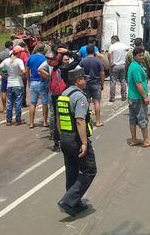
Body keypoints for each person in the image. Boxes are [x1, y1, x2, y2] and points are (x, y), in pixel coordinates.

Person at [56, 68, 97, 217]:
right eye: (83, 79)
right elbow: (80, 120)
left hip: (65, 137)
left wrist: (61, 137)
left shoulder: (64, 95)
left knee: (72, 170)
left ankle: (74, 202)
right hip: (76, 139)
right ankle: (68, 200)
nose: (85, 81)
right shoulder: (80, 97)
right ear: (78, 81)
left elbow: (58, 119)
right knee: (89, 170)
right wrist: (84, 143)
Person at [50, 47, 81, 152]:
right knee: (66, 117)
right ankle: (66, 139)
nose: (67, 61)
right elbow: (77, 59)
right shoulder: (64, 69)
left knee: (57, 117)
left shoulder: (54, 69)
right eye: (65, 59)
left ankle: (56, 142)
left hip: (55, 95)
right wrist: (68, 51)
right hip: (63, 95)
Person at [127, 46, 150, 148]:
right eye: (139, 55)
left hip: (132, 96)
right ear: (134, 56)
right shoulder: (136, 67)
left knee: (133, 119)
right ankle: (146, 140)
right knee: (142, 118)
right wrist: (145, 97)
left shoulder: (133, 65)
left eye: (143, 55)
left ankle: (134, 139)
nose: (142, 57)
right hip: (138, 97)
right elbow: (138, 83)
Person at [0, 46, 26, 126]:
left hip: (9, 83)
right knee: (18, 102)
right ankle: (18, 120)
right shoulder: (19, 61)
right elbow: (23, 71)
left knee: (9, 102)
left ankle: (9, 120)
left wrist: (5, 76)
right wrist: (20, 74)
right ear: (19, 53)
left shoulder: (6, 61)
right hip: (18, 83)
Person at [80, 44, 105, 127]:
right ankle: (98, 121)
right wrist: (102, 83)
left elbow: (79, 72)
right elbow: (102, 73)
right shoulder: (97, 60)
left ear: (86, 51)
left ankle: (87, 121)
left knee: (86, 102)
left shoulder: (83, 61)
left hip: (85, 84)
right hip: (96, 83)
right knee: (96, 102)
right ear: (94, 51)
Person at [26, 44, 50, 128]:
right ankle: (45, 121)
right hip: (42, 81)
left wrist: (29, 81)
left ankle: (31, 123)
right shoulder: (44, 58)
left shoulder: (30, 58)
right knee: (44, 103)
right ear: (43, 50)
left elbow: (27, 70)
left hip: (33, 82)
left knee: (33, 103)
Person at [107, 36, 129, 102]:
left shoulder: (112, 46)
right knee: (123, 80)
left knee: (113, 81)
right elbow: (129, 50)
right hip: (123, 65)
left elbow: (109, 53)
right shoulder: (124, 45)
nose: (111, 42)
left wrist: (110, 62)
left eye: (111, 40)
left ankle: (112, 97)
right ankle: (124, 96)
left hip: (115, 66)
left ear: (114, 40)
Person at [0, 40, 13, 110]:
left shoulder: (0, 54)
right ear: (10, 46)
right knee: (12, 91)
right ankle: (11, 107)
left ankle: (4, 108)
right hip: (11, 72)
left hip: (3, 72)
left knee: (4, 91)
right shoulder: (12, 53)